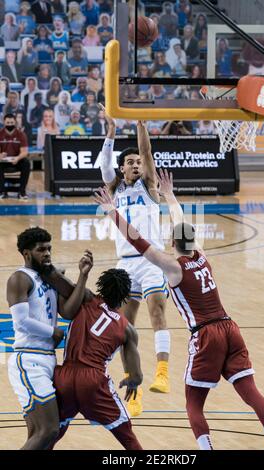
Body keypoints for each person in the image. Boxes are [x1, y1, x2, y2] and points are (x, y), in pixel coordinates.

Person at [94, 170, 264, 451]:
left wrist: (113, 212)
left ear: (172, 244)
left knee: (193, 403)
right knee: (251, 392)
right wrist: (170, 196)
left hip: (206, 335)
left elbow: (140, 242)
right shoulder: (202, 256)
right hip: (231, 329)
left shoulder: (175, 267)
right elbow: (182, 224)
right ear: (192, 241)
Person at [99, 109, 170, 418]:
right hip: (126, 264)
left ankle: (163, 372)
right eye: (131, 162)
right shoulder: (116, 189)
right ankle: (135, 389)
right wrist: (112, 130)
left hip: (152, 258)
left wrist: (142, 124)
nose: (137, 164)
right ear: (122, 168)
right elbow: (104, 165)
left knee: (157, 310)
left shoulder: (149, 186)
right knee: (127, 330)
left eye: (138, 162)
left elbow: (147, 151)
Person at [6, 226, 92, 449]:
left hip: (48, 358)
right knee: (49, 430)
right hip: (28, 359)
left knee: (42, 435)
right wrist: (53, 331)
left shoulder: (50, 277)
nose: (47, 254)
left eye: (49, 249)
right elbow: (21, 322)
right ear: (27, 253)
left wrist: (83, 276)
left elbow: (69, 311)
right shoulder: (19, 278)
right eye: (41, 250)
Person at [43, 262, 143, 450]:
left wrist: (58, 270)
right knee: (127, 436)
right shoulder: (128, 329)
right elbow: (136, 375)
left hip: (64, 376)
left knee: (51, 435)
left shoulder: (86, 298)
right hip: (93, 380)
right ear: (125, 297)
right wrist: (133, 382)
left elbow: (56, 278)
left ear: (102, 286)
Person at [0, 114, 29, 200]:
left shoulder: (21, 134)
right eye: (8, 122)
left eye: (11, 122)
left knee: (26, 163)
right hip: (3, 162)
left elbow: (25, 152)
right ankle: (2, 191)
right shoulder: (0, 134)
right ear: (4, 122)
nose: (9, 124)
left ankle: (22, 192)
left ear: (15, 122)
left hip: (17, 161)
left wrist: (17, 158)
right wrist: (0, 155)